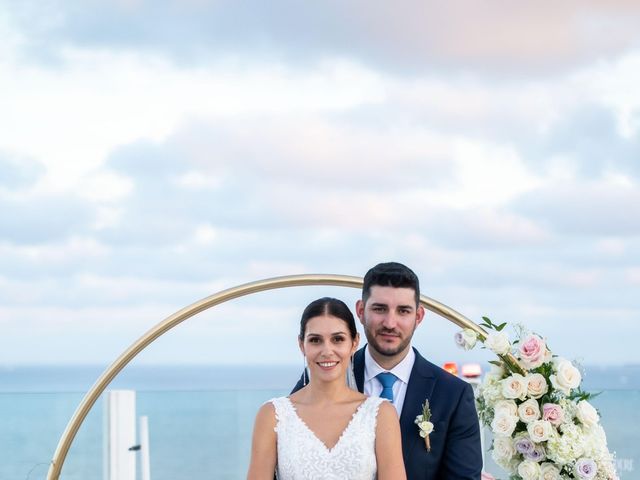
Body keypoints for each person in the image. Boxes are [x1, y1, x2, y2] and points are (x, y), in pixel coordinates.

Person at [292, 262, 483, 480]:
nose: (390, 323)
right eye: (380, 309)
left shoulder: (453, 395)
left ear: (418, 317)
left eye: (403, 311)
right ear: (361, 311)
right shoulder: (325, 374)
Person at [247, 297, 407, 480]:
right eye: (315, 340)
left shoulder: (381, 414)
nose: (327, 351)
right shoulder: (272, 416)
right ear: (302, 345)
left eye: (337, 339)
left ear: (354, 343)